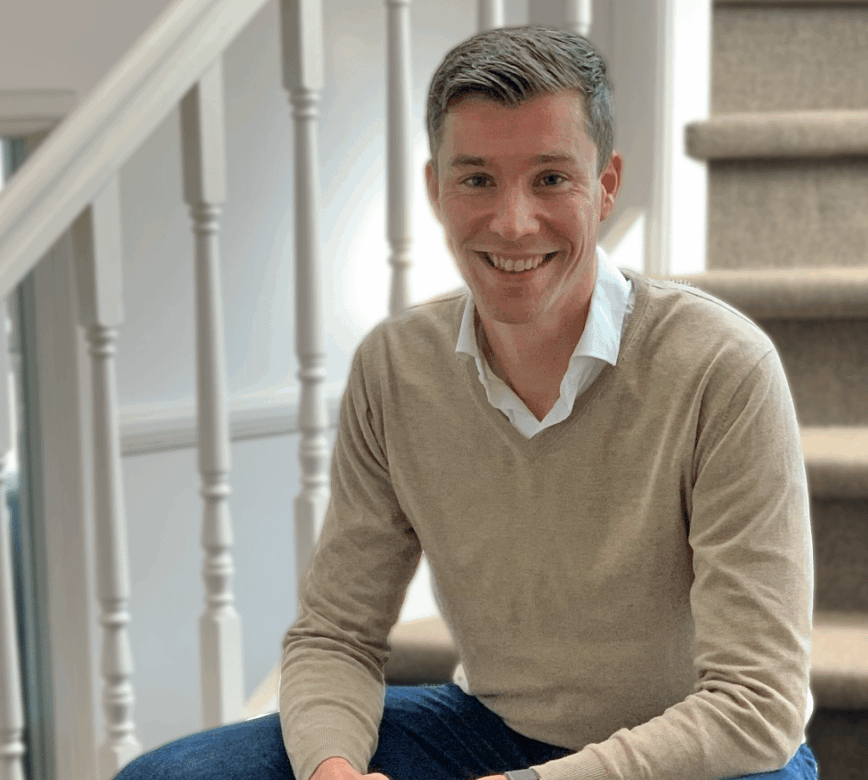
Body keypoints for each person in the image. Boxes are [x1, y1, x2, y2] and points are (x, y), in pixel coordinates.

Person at [116, 26, 818, 780]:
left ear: (606, 186)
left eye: (551, 178)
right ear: (435, 190)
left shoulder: (721, 366)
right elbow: (336, 636)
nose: (513, 222)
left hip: (702, 754)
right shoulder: (395, 368)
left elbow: (758, 702)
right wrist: (332, 772)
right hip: (490, 732)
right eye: (477, 179)